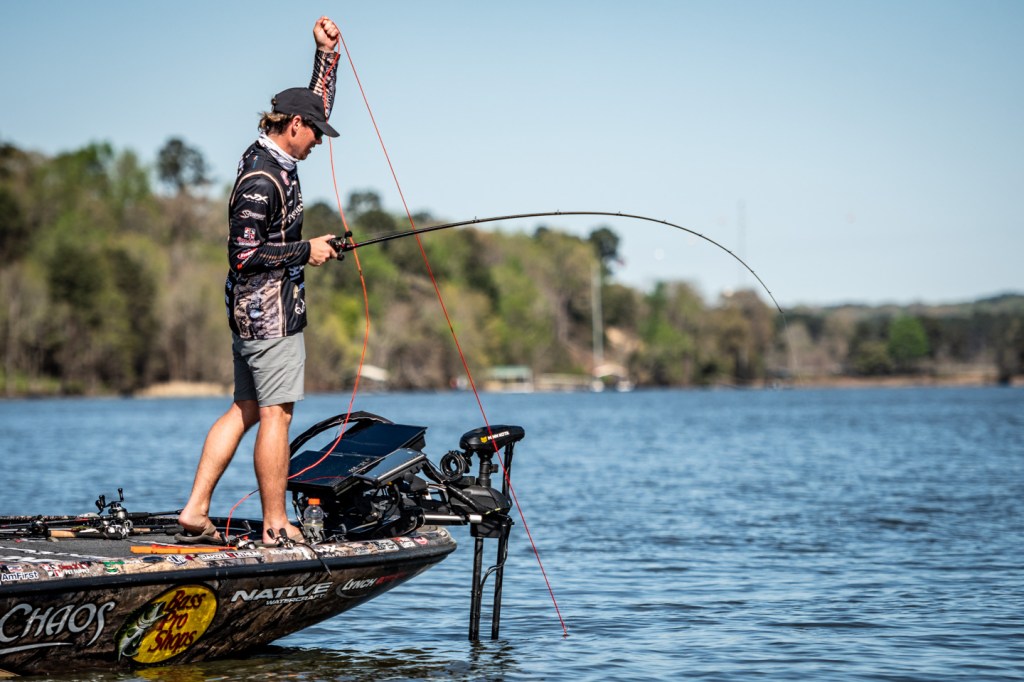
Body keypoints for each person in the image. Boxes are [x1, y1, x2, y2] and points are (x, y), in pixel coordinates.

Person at [178, 16, 342, 545]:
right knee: (276, 416)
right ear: (292, 125)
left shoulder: (275, 154)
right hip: (268, 315)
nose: (318, 141)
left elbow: (317, 104)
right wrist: (306, 250)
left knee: (246, 408)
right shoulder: (261, 178)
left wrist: (326, 56)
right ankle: (275, 524)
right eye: (314, 132)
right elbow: (244, 255)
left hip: (253, 314)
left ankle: (195, 510)